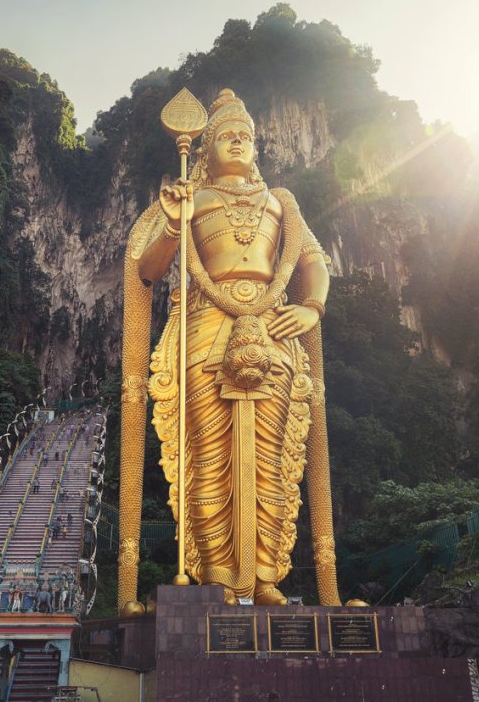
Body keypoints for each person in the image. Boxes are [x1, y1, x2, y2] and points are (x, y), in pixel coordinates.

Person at [119, 89, 340, 607]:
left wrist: (313, 307)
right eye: (227, 136)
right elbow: (147, 269)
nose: (238, 142)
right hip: (206, 327)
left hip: (272, 326)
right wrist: (174, 225)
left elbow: (314, 261)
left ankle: (264, 577)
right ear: (206, 149)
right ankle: (217, 576)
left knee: (271, 454)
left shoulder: (280, 202)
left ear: (257, 146)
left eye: (245, 135)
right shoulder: (189, 197)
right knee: (208, 452)